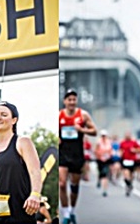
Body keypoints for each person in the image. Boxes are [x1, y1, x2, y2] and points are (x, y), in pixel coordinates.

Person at [58, 89, 97, 224]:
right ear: (65, 101)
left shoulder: (83, 115)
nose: (72, 102)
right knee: (62, 183)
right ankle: (66, 213)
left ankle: (72, 210)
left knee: (74, 185)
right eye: (69, 99)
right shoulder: (59, 115)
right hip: (63, 153)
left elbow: (94, 131)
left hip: (77, 154)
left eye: (74, 99)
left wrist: (82, 130)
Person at [119, 131, 140, 197]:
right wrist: (120, 154)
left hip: (132, 160)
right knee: (126, 174)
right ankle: (128, 184)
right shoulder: (122, 143)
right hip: (125, 160)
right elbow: (120, 150)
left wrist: (134, 150)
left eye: (128, 135)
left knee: (131, 174)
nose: (127, 136)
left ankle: (130, 185)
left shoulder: (134, 142)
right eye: (126, 135)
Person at [94, 131, 114, 197]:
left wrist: (109, 156)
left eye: (104, 135)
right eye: (102, 135)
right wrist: (99, 156)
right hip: (100, 160)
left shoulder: (109, 142)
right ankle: (99, 180)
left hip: (107, 160)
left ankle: (104, 189)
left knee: (105, 174)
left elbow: (111, 151)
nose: (103, 137)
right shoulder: (98, 142)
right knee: (100, 172)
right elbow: (96, 151)